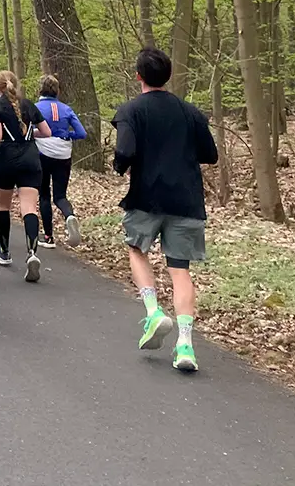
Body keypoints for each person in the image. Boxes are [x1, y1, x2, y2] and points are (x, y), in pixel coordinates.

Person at [113, 47, 217, 372]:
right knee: (180, 269)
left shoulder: (131, 110)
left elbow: (125, 150)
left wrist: (120, 164)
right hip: (186, 199)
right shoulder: (191, 113)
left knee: (135, 249)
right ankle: (185, 343)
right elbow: (210, 154)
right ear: (168, 76)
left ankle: (154, 312)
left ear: (138, 75)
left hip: (146, 197)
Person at [0, 70, 52, 282]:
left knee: (3, 205)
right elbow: (47, 132)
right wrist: (29, 135)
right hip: (30, 158)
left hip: (6, 159)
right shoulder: (29, 105)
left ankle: (4, 250)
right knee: (29, 208)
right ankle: (32, 252)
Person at [35, 74, 87, 248]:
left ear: (40, 90)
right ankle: (69, 216)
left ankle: (49, 237)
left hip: (42, 153)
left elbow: (26, 131)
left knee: (43, 194)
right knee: (60, 196)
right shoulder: (66, 109)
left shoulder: (35, 108)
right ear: (57, 91)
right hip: (63, 154)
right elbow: (82, 133)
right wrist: (66, 134)